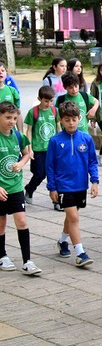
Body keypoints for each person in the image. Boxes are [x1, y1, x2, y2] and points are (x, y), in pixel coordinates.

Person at [45, 101, 99, 268]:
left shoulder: (86, 139)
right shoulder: (55, 141)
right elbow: (50, 165)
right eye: (67, 120)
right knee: (74, 217)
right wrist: (52, 187)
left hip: (80, 186)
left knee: (72, 216)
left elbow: (92, 161)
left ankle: (62, 241)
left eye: (74, 119)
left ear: (79, 119)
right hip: (63, 186)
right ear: (61, 120)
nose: (71, 123)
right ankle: (80, 253)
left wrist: (94, 181)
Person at [0, 101, 39, 276]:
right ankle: (2, 255)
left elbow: (27, 154)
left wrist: (20, 163)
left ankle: (27, 261)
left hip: (15, 186)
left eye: (14, 118)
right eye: (8, 117)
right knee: (1, 223)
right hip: (1, 188)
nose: (12, 121)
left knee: (22, 221)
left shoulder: (18, 136)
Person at [23, 86, 59, 204]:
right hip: (38, 150)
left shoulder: (54, 111)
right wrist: (30, 148)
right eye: (46, 101)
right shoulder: (33, 112)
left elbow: (58, 127)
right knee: (39, 174)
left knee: (53, 175)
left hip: (52, 150)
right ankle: (30, 188)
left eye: (51, 101)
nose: (48, 104)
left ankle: (56, 201)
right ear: (39, 99)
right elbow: (28, 130)